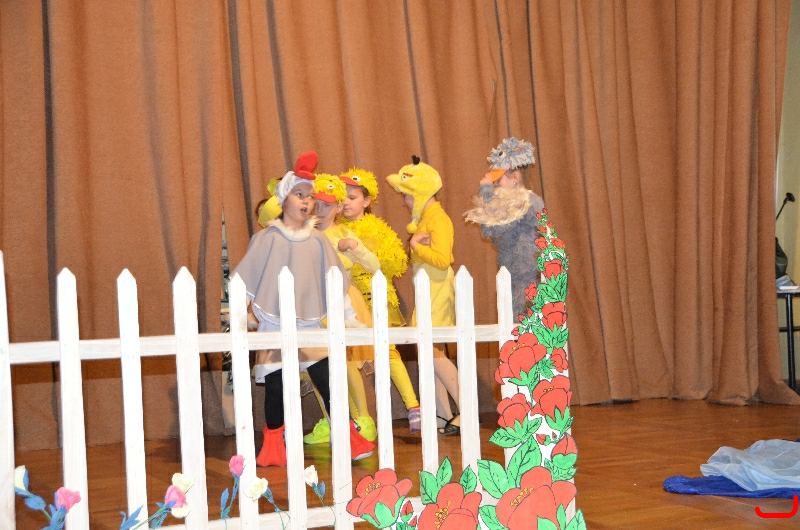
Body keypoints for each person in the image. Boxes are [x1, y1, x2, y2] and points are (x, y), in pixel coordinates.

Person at [233, 152, 375, 466]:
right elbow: (244, 280)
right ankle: (273, 446)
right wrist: (240, 316)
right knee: (276, 386)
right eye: (299, 194)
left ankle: (347, 438)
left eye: (309, 197)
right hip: (274, 325)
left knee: (328, 380)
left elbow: (334, 282)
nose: (306, 202)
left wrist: (349, 318)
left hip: (309, 326)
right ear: (284, 199)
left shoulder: (318, 241)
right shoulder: (266, 239)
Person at [339, 168, 422, 434]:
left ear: (366, 201)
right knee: (345, 355)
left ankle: (413, 406)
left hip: (373, 297)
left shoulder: (376, 228)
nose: (346, 202)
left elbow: (396, 263)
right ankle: (357, 419)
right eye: (343, 197)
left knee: (386, 349)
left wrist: (362, 251)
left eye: (353, 197)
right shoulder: (336, 228)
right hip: (347, 301)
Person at [386, 156, 462, 435]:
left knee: (428, 347)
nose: (405, 202)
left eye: (407, 196)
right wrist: (415, 244)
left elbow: (442, 260)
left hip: (437, 287)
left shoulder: (438, 219)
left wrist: (416, 245)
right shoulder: (427, 219)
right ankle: (443, 414)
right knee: (429, 349)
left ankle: (465, 408)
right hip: (428, 287)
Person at [302, 173, 379, 444]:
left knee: (345, 364)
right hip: (313, 307)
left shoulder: (344, 232)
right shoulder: (304, 234)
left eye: (328, 204)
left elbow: (374, 265)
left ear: (338, 207)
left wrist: (354, 247)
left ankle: (363, 420)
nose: (321, 209)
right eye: (317, 203)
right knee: (316, 366)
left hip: (341, 303)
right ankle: (331, 420)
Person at [464, 137, 546, 319]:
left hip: (526, 279)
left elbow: (490, 228)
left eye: (498, 179)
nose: (495, 185)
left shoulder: (527, 202)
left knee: (521, 327)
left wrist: (485, 191)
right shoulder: (517, 204)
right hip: (514, 277)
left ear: (515, 178)